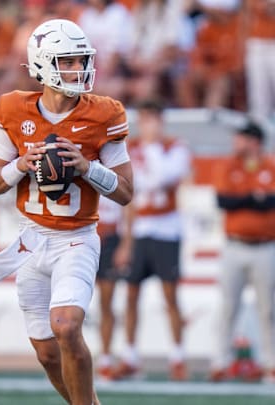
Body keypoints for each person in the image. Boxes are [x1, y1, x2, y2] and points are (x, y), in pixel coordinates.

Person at [0, 19, 133, 405]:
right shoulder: (14, 109)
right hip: (31, 240)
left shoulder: (104, 114)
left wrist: (87, 168)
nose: (78, 69)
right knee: (47, 354)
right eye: (67, 61)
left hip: (76, 240)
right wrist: (22, 163)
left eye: (81, 60)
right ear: (43, 65)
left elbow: (127, 192)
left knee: (65, 326)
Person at [115, 99, 191, 381]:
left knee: (170, 295)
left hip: (166, 228)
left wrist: (151, 147)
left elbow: (162, 178)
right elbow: (128, 192)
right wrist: (125, 241)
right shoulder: (131, 148)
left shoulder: (174, 147)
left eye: (152, 119)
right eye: (144, 119)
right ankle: (130, 356)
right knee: (131, 294)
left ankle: (178, 356)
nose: (148, 125)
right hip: (139, 229)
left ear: (161, 120)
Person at [209, 122, 275, 383]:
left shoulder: (269, 165)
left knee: (268, 308)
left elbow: (271, 201)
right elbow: (224, 201)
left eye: (242, 138)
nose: (237, 142)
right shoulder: (229, 165)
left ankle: (270, 362)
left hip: (265, 245)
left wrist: (246, 199)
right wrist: (253, 198)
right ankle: (220, 361)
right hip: (234, 245)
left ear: (254, 141)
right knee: (227, 306)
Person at [94, 195, 129, 380]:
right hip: (82, 235)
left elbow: (128, 206)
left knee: (106, 303)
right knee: (69, 301)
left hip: (108, 238)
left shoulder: (116, 170)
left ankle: (105, 359)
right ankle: (62, 357)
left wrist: (125, 244)